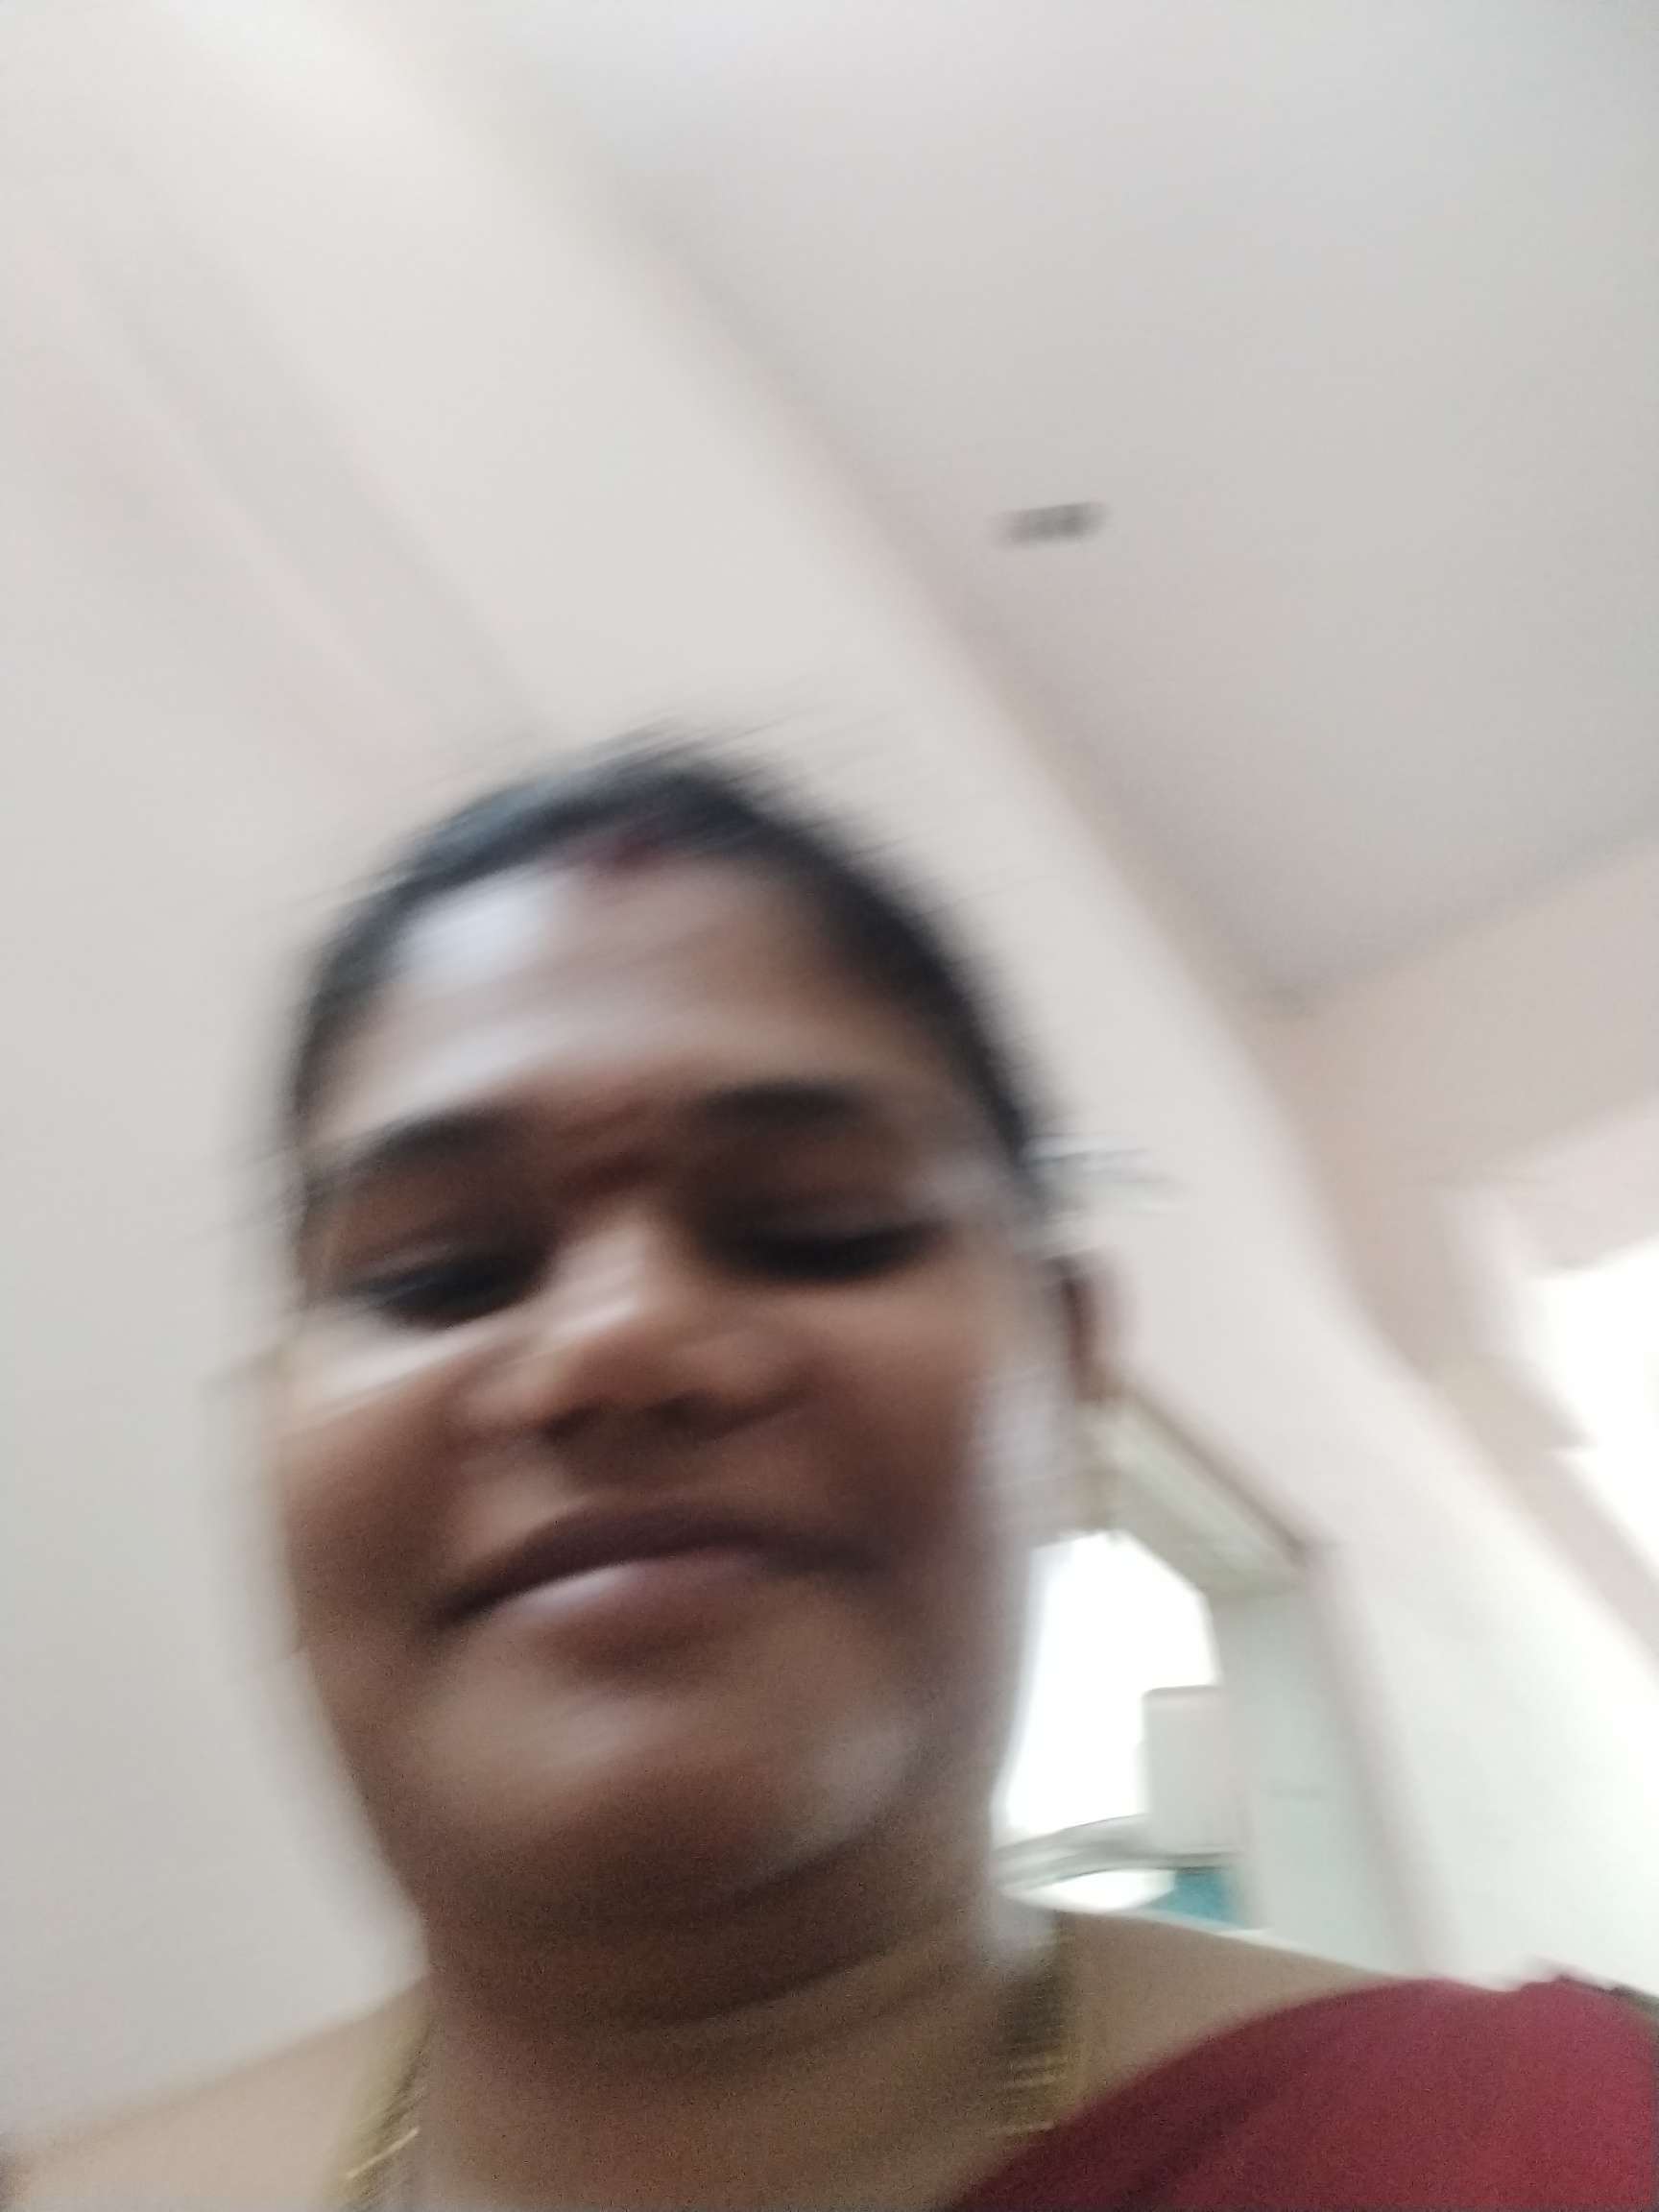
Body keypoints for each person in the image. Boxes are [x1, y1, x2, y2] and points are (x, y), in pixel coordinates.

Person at [15, 745, 1655, 2209]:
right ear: (269, 1446)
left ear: (1068, 1372)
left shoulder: (1550, 2152)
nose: (619, 1341)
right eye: (443, 1273)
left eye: (816, 1229)